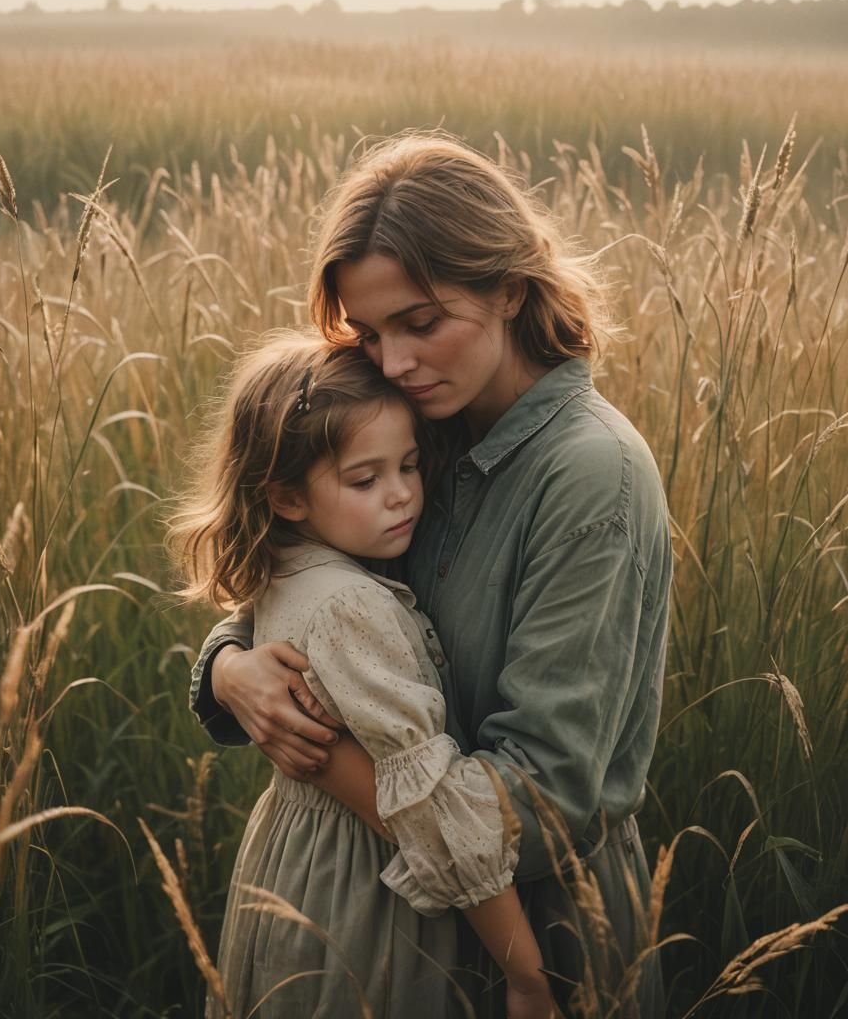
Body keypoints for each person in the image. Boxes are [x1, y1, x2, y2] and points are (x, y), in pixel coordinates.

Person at [189, 134, 672, 1017]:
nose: (395, 362)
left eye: (421, 322)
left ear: (510, 290)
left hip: (544, 922)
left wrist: (330, 756)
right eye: (370, 333)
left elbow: (551, 785)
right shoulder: (411, 424)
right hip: (403, 910)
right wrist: (230, 668)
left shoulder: (590, 474)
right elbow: (307, 575)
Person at [169, 331, 557, 1019]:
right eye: (366, 479)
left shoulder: (290, 563)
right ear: (286, 498)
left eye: (409, 466)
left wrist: (226, 666)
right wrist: (525, 973)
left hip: (292, 868)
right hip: (367, 890)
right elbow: (429, 807)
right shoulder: (351, 605)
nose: (403, 495)